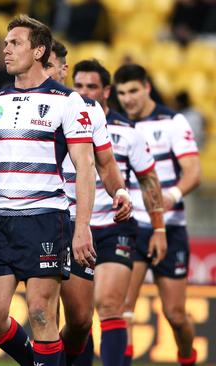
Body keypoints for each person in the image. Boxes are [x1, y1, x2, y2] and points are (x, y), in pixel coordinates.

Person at [0, 15, 96, 365]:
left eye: (15, 43)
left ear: (38, 50)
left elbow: (86, 167)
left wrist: (81, 229)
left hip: (45, 219)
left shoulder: (67, 101)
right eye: (5, 44)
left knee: (42, 313)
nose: (6, 49)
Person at [71, 59, 167, 366]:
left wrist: (160, 229)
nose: (85, 93)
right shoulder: (62, 126)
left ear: (107, 91)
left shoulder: (128, 133)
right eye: (79, 86)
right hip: (75, 229)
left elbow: (149, 182)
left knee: (110, 305)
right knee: (79, 318)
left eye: (92, 86)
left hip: (116, 227)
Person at [44, 41, 133, 366]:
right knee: (43, 314)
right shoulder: (11, 102)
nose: (46, 71)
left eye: (50, 64)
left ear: (61, 68)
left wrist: (119, 191)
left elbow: (107, 165)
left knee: (80, 320)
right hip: (35, 219)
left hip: (78, 221)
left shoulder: (87, 109)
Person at [115, 64, 201, 366]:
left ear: (147, 88)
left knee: (175, 315)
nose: (128, 99)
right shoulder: (118, 125)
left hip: (170, 226)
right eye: (122, 93)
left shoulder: (173, 122)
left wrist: (171, 195)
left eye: (134, 91)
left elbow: (193, 172)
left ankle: (187, 356)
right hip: (131, 226)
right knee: (123, 308)